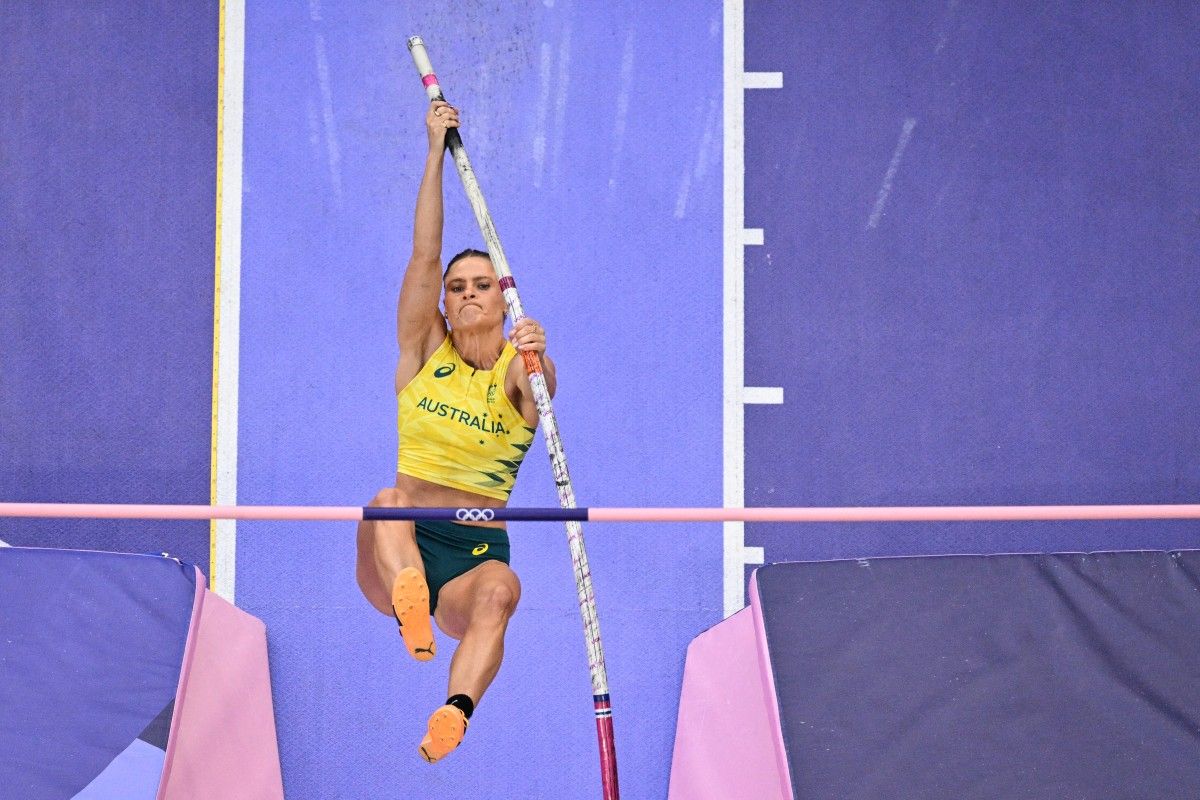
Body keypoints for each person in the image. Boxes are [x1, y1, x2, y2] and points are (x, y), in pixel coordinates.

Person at [355, 99, 554, 763]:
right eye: (457, 287)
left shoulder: (518, 369)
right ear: (443, 301)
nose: (467, 292)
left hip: (472, 552)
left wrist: (540, 353)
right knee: (387, 502)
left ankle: (454, 711)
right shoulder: (423, 352)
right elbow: (424, 254)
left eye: (481, 285)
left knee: (502, 591)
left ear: (503, 298)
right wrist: (435, 150)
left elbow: (543, 388)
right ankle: (409, 602)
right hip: (399, 542)